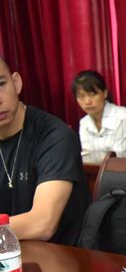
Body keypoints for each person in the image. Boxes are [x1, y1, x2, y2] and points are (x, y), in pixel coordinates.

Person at [0, 57, 90, 244]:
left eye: (1, 84)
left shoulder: (54, 135)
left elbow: (42, 224)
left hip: (60, 256)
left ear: (16, 83)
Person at [71, 70, 126, 154]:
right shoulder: (84, 123)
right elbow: (87, 156)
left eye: (92, 94)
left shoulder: (123, 118)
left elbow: (119, 157)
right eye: (81, 96)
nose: (87, 101)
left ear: (105, 93)